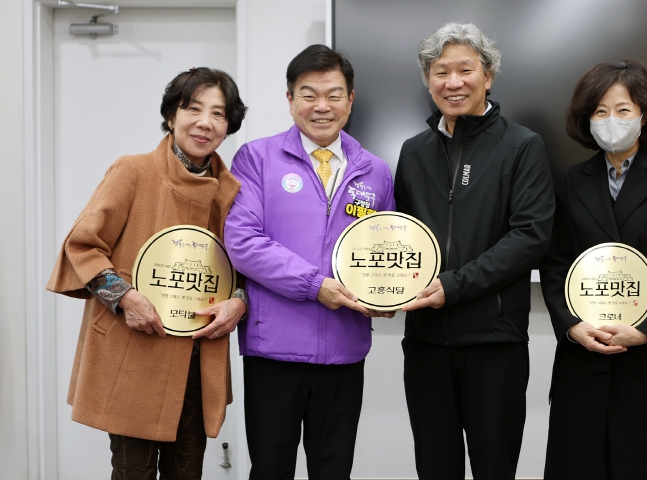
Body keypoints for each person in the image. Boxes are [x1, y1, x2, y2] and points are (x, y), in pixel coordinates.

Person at [47, 67, 248, 479]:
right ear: (171, 116)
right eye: (193, 108)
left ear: (229, 126)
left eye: (218, 113)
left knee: (187, 472)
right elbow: (82, 246)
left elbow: (244, 267)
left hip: (197, 357)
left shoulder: (232, 192)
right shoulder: (133, 171)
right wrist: (124, 298)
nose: (205, 122)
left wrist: (239, 302)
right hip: (134, 350)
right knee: (131, 472)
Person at [223, 44, 395, 480]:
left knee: (333, 471)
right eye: (309, 94)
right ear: (290, 99)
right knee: (271, 470)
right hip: (273, 351)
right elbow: (243, 242)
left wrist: (387, 294)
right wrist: (314, 285)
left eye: (334, 95)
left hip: (344, 351)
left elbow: (385, 249)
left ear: (350, 100)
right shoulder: (256, 159)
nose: (322, 106)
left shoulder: (375, 171)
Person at [539, 60, 647, 480]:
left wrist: (646, 329)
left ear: (644, 115)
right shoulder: (571, 182)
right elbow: (555, 263)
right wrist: (571, 325)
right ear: (587, 119)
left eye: (623, 110)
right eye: (600, 111)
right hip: (588, 351)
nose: (611, 120)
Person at [394, 22, 555, 479]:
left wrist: (453, 286)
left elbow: (530, 237)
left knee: (494, 469)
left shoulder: (522, 146)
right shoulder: (413, 151)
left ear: (489, 76)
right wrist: (384, 289)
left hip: (494, 343)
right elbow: (401, 236)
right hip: (425, 343)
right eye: (440, 72)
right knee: (434, 468)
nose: (453, 82)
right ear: (428, 81)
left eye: (465, 70)